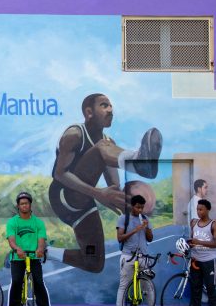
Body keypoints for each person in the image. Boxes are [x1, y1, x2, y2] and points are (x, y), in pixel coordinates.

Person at [48, 93, 162, 273]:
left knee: (94, 262)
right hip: (64, 195)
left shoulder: (109, 144)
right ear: (89, 112)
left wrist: (132, 202)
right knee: (102, 146)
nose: (110, 110)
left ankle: (46, 252)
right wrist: (99, 194)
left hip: (84, 201)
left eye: (111, 106)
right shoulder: (75, 134)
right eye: (104, 105)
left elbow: (113, 188)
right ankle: (137, 160)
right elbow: (60, 174)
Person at [5, 192, 53, 306]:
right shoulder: (12, 222)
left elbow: (41, 239)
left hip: (33, 257)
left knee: (38, 282)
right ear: (18, 206)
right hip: (17, 258)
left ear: (30, 205)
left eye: (26, 203)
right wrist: (17, 249)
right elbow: (11, 240)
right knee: (16, 282)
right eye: (22, 204)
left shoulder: (38, 222)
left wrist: (40, 249)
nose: (24, 205)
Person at [113, 194, 153, 306]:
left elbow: (150, 239)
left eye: (142, 208)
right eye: (137, 207)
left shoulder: (145, 219)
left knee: (147, 286)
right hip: (128, 256)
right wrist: (135, 230)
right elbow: (120, 238)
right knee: (124, 285)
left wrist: (146, 228)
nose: (140, 210)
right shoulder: (123, 218)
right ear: (132, 206)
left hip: (143, 256)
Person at [186, 199, 216, 306]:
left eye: (201, 209)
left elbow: (215, 244)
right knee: (195, 288)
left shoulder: (213, 224)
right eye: (197, 209)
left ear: (207, 210)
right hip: (195, 260)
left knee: (210, 288)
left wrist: (199, 242)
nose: (199, 212)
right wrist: (191, 244)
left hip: (209, 260)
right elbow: (193, 239)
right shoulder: (194, 223)